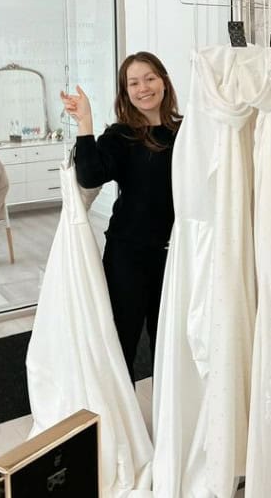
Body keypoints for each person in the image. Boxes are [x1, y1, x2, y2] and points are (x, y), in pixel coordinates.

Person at [61, 51, 182, 383]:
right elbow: (89, 175)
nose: (143, 88)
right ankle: (123, 424)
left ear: (164, 82)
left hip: (177, 255)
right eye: (133, 83)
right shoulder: (121, 135)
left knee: (171, 342)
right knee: (121, 340)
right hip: (128, 253)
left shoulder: (187, 131)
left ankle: (170, 420)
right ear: (125, 92)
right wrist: (85, 122)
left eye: (150, 78)